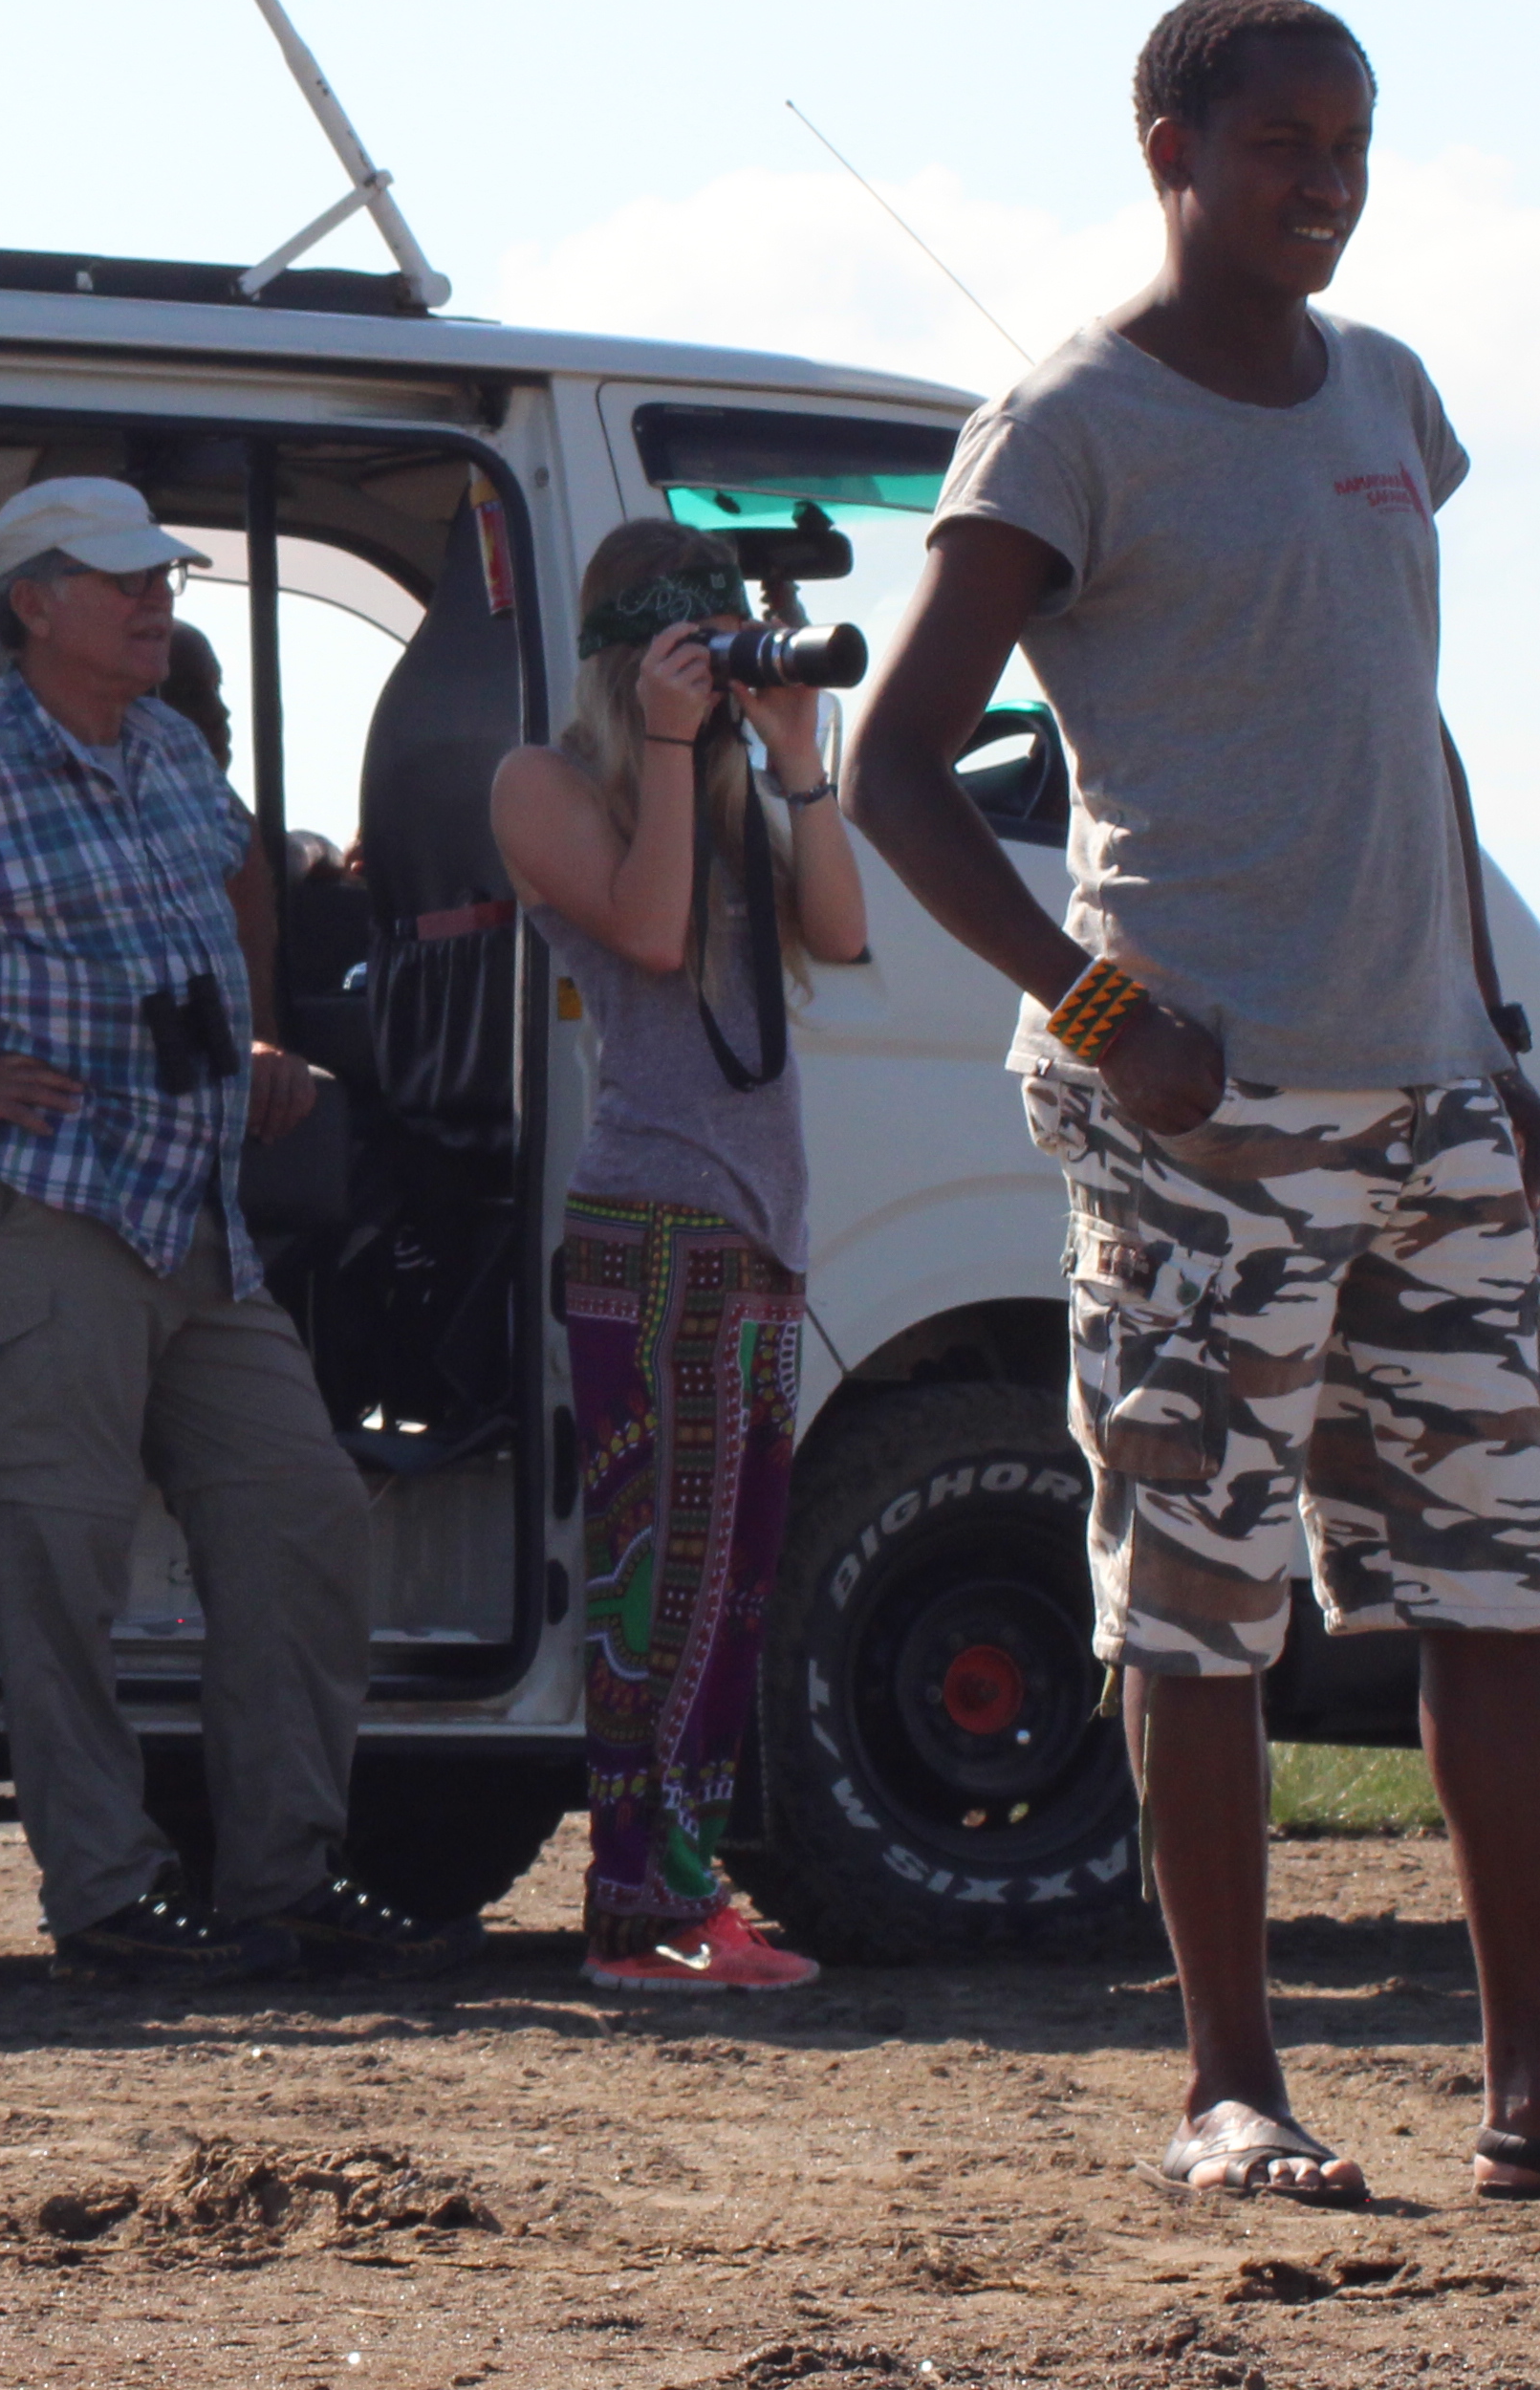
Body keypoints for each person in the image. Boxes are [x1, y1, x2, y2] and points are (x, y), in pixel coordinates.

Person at [841, 0, 1540, 2204]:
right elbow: (890, 775)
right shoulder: (1068, 421)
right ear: (1165, 140)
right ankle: (1229, 2091)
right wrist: (1106, 1022)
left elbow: (1411, 728)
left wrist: (1490, 1026)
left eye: (1353, 144)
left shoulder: (1391, 400)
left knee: (1498, 1583)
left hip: (1436, 1100)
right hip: (1203, 1113)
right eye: (1282, 141)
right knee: (1202, 1591)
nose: (1328, 181)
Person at [0, 477, 480, 1985]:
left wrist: (262, 1039)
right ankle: (105, 1894)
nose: (160, 602)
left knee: (305, 1517)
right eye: (125, 582)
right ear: (35, 607)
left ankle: (283, 1875)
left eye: (163, 579)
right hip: (45, 1207)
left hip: (192, 1213)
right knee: (64, 1565)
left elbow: (235, 875)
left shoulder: (162, 747)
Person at [490, 519, 869, 1991]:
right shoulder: (546, 784)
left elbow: (837, 932)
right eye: (694, 647)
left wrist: (793, 754)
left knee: (736, 1583)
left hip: (751, 1231)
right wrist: (659, 742)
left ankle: (683, 1895)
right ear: (629, 652)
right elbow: (649, 941)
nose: (719, 672)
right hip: (653, 1229)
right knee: (661, 1584)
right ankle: (635, 1907)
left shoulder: (723, 802)